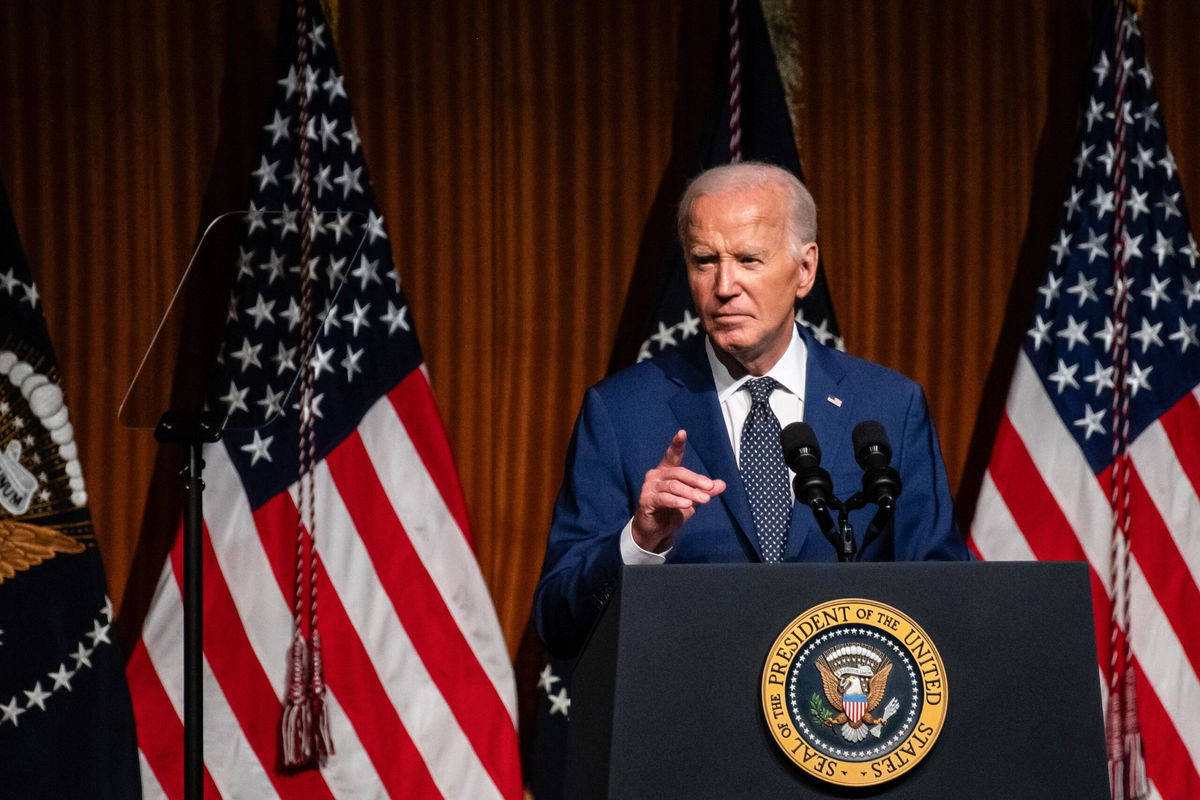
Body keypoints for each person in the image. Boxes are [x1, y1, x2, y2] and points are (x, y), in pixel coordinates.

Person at [534, 162, 969, 656]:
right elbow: (557, 622)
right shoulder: (622, 412)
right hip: (689, 718)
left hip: (842, 716)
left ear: (805, 270)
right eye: (704, 261)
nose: (723, 286)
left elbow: (946, 598)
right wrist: (638, 542)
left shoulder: (889, 405)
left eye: (748, 259)